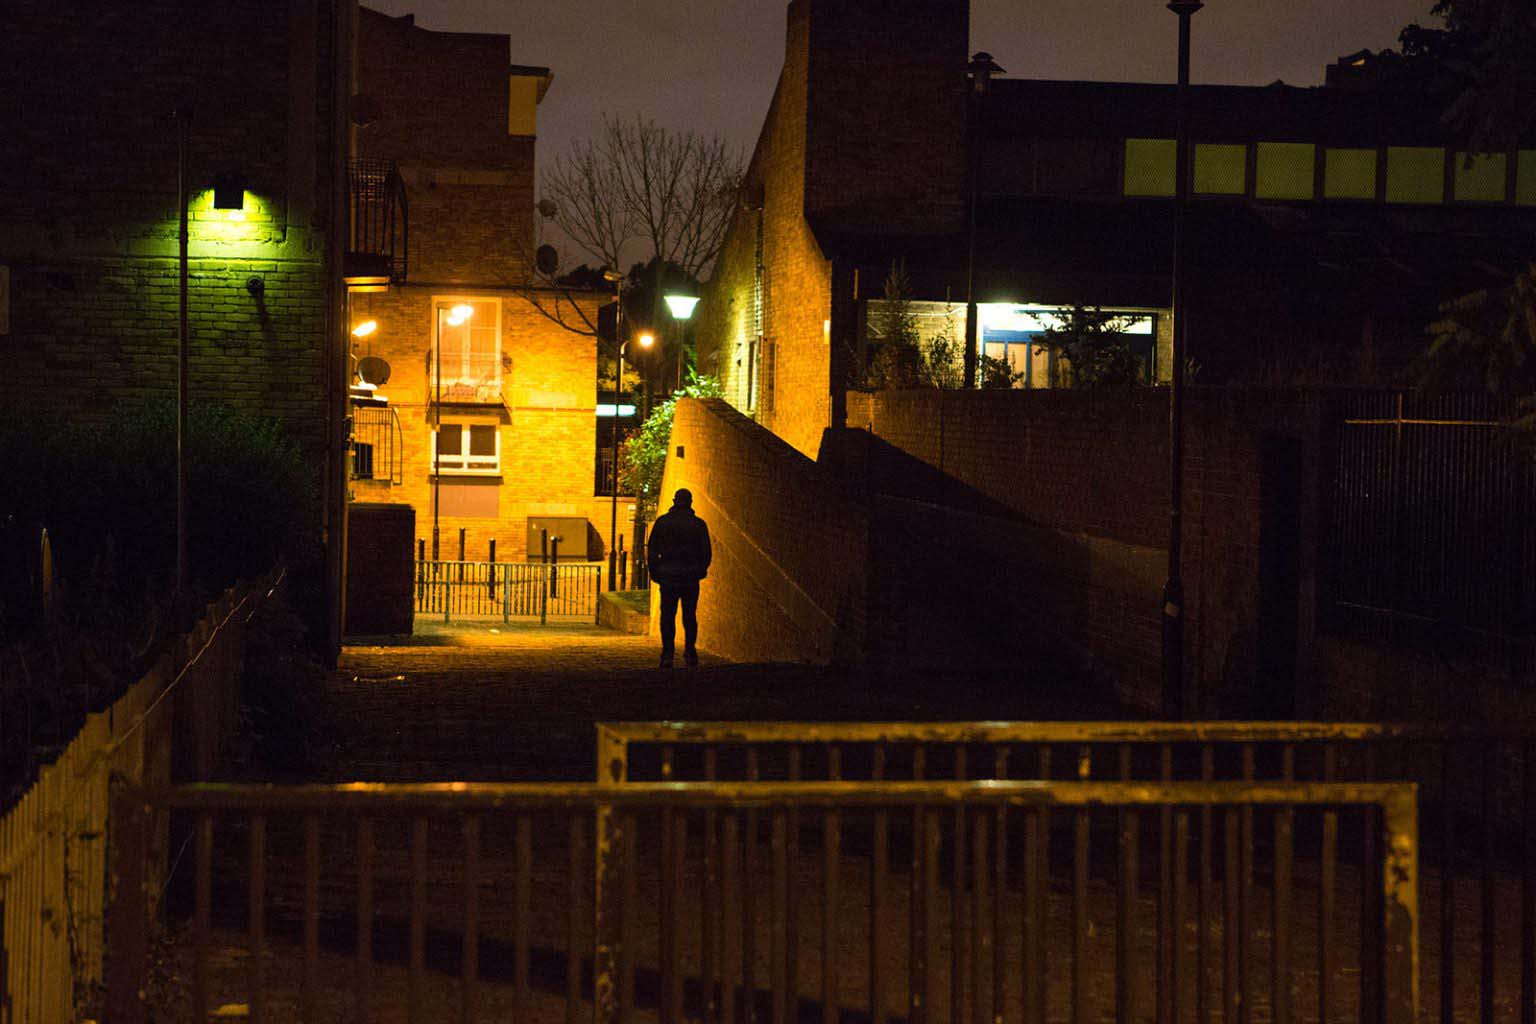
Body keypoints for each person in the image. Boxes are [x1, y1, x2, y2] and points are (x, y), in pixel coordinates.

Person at [646, 487, 712, 667]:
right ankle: (690, 651)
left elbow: (652, 550)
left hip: (668, 576)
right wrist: (700, 570)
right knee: (689, 615)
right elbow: (706, 552)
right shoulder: (698, 525)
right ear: (690, 503)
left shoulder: (662, 523)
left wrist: (655, 571)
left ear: (674, 501)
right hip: (690, 576)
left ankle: (668, 653)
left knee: (667, 615)